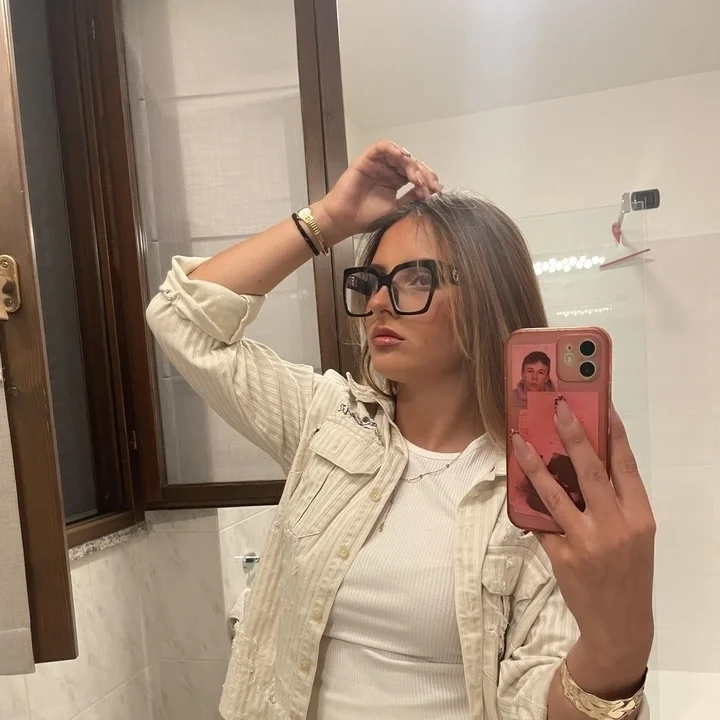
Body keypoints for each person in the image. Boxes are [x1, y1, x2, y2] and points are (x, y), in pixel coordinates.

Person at [146, 141, 655, 720]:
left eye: (415, 279)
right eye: (373, 281)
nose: (380, 303)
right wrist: (328, 220)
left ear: (487, 297)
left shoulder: (534, 489)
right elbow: (181, 319)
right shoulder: (329, 420)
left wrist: (616, 654)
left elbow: (530, 704)